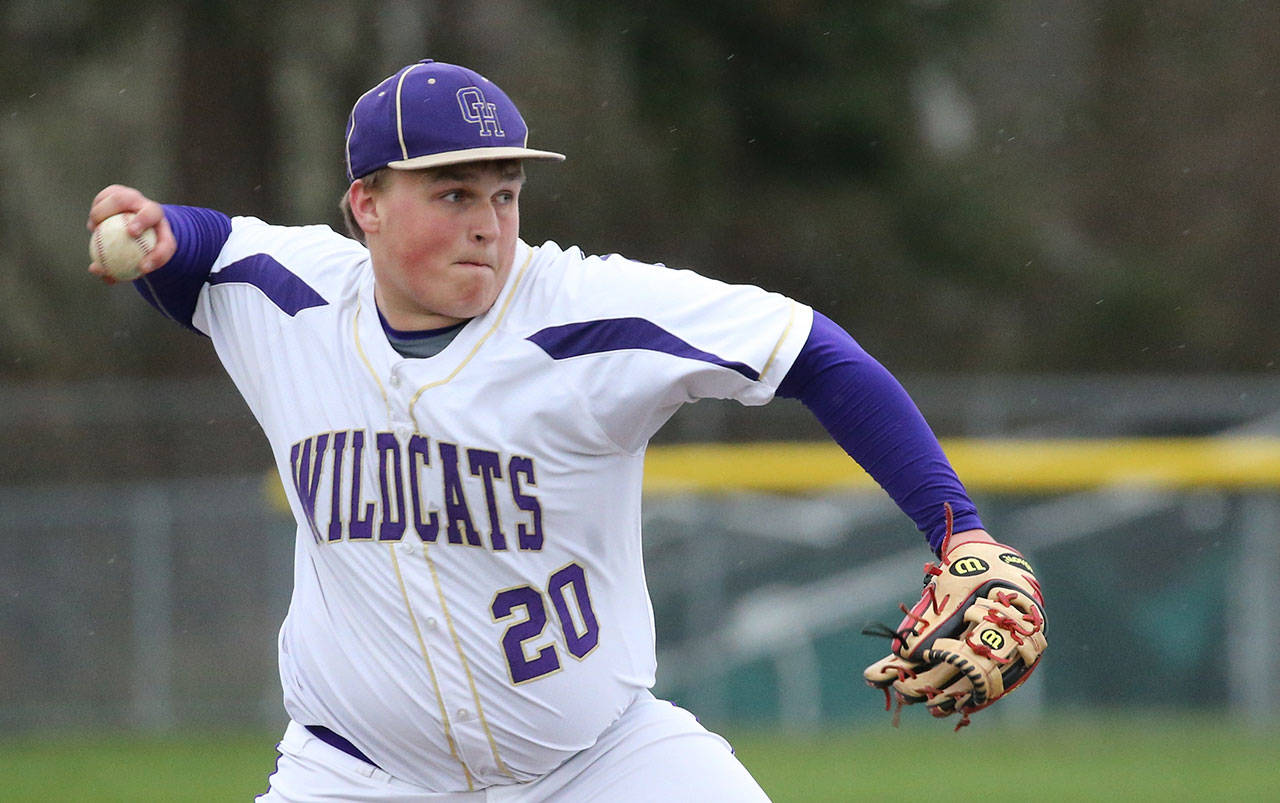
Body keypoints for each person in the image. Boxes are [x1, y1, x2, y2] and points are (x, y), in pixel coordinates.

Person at [88, 59, 1040, 802]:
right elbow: (202, 250)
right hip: (357, 774)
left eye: (504, 194)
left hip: (599, 764)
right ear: (366, 204)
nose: (489, 226)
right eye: (453, 194)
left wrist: (959, 528)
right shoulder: (288, 297)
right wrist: (154, 229)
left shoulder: (589, 312)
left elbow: (817, 354)